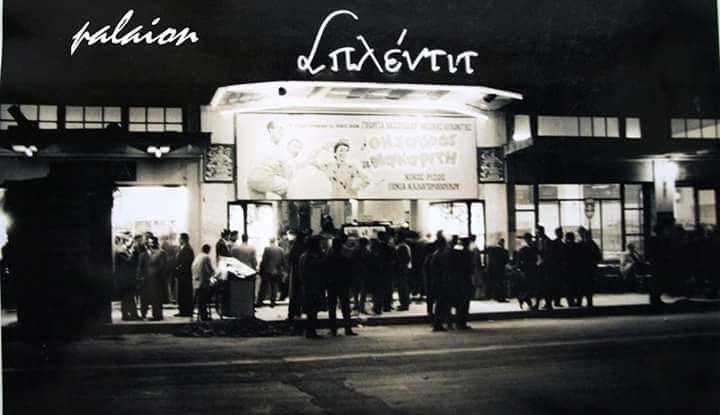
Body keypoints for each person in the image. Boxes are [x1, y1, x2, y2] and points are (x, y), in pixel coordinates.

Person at [247, 120, 294, 199]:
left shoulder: (262, 143)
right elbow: (286, 171)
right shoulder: (276, 148)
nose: (282, 133)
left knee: (260, 204)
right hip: (262, 178)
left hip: (251, 180)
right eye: (279, 129)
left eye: (282, 130)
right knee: (289, 187)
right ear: (271, 130)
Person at [325, 237, 357, 336]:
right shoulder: (344, 258)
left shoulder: (329, 257)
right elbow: (349, 271)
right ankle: (347, 328)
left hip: (332, 284)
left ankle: (333, 328)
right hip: (343, 284)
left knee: (332, 307)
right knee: (345, 306)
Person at [299, 235, 326, 338]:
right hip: (312, 285)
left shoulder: (305, 256)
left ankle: (311, 330)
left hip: (309, 285)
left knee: (312, 310)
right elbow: (318, 267)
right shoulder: (311, 257)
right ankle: (311, 330)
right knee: (312, 310)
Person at [445, 237, 474, 329]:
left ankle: (450, 322)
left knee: (452, 302)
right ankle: (461, 322)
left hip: (453, 280)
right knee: (463, 303)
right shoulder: (466, 254)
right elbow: (470, 268)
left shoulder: (450, 254)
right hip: (463, 280)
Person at [138, 235, 167, 321]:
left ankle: (157, 315)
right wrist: (139, 277)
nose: (150, 244)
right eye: (149, 242)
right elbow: (140, 267)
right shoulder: (143, 254)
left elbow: (162, 265)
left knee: (156, 298)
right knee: (144, 298)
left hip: (156, 280)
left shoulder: (160, 253)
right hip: (146, 280)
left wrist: (154, 273)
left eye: (152, 242)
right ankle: (143, 314)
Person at [114, 233, 141, 321]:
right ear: (125, 241)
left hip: (128, 279)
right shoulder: (121, 251)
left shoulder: (124, 251)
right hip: (124, 280)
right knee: (126, 298)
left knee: (129, 297)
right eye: (130, 241)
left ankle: (132, 314)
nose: (132, 243)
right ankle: (127, 315)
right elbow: (128, 262)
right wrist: (133, 253)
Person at [427, 236, 449, 331]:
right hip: (440, 281)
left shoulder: (435, 255)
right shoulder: (440, 255)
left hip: (436, 281)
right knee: (441, 303)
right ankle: (438, 323)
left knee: (439, 303)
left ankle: (438, 323)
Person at [257, 237, 285, 307]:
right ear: (275, 241)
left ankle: (260, 301)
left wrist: (261, 270)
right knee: (274, 287)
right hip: (277, 271)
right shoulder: (281, 250)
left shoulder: (267, 249)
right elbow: (283, 261)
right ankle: (273, 302)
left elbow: (264, 261)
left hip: (267, 271)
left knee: (264, 287)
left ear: (270, 241)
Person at [577, 227, 601, 307]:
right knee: (589, 286)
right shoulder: (593, 244)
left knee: (581, 285)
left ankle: (579, 301)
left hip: (582, 268)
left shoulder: (580, 244)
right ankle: (589, 302)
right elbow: (598, 256)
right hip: (590, 268)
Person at [516, 233, 540, 310]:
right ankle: (525, 299)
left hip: (528, 269)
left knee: (531, 286)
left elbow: (519, 260)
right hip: (531, 268)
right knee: (532, 286)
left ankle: (524, 298)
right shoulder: (532, 248)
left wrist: (520, 268)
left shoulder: (524, 248)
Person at [173, 233, 195, 317]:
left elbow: (187, 262)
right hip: (181, 275)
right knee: (181, 293)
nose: (178, 240)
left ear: (184, 239)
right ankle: (182, 310)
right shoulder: (181, 248)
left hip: (185, 275)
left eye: (179, 239)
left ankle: (187, 311)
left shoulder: (188, 249)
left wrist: (179, 267)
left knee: (186, 293)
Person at [191, 244, 215, 321]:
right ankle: (204, 316)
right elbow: (210, 270)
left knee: (200, 299)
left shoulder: (198, 257)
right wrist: (214, 274)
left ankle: (198, 313)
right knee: (205, 299)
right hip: (203, 282)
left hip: (196, 282)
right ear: (208, 250)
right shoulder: (206, 257)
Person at [546, 227, 566, 308]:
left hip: (557, 267)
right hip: (556, 267)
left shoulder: (556, 243)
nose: (562, 234)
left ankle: (556, 301)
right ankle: (556, 301)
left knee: (557, 285)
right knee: (555, 285)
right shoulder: (557, 244)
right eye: (560, 233)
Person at [485, 238, 509, 302]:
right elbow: (506, 261)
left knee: (494, 283)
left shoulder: (491, 250)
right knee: (501, 284)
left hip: (492, 270)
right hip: (500, 270)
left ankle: (493, 296)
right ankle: (500, 297)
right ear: (503, 243)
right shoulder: (504, 251)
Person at [393, 236, 412, 311]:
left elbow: (401, 258)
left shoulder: (401, 247)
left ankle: (404, 304)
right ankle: (405, 303)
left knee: (402, 287)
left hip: (401, 269)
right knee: (404, 287)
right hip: (404, 268)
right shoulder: (406, 246)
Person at [563, 232, 582, 306]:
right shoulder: (578, 246)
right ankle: (578, 302)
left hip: (567, 269)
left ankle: (570, 302)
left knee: (568, 287)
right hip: (576, 269)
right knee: (577, 286)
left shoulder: (565, 246)